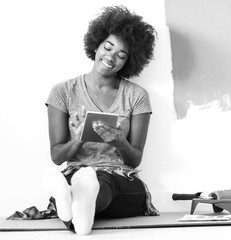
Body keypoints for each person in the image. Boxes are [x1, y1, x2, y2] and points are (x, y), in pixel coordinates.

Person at [44, 5, 159, 235]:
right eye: (108, 47)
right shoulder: (63, 92)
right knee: (78, 182)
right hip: (76, 172)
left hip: (120, 181)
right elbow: (57, 156)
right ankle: (79, 210)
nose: (111, 57)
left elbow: (135, 158)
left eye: (121, 55)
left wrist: (119, 141)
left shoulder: (136, 96)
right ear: (96, 44)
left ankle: (76, 206)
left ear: (129, 61)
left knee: (101, 182)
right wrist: (77, 139)